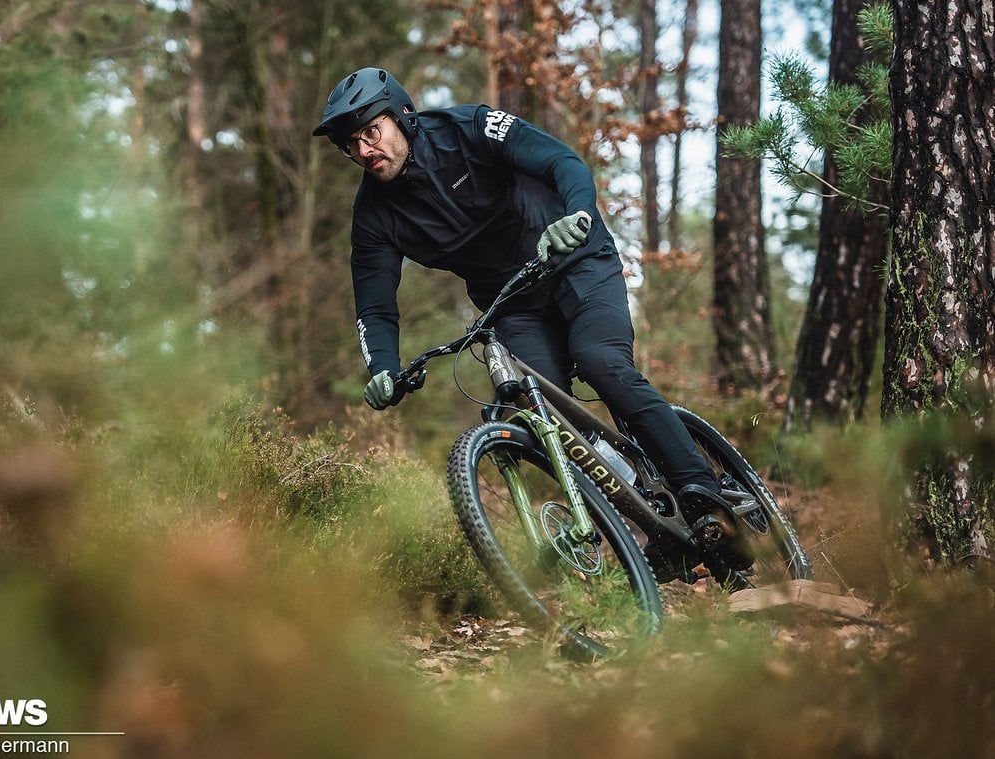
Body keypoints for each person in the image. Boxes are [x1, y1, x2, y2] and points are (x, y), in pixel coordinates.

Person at [312, 67, 751, 574]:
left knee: (600, 359)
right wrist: (382, 367)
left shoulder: (468, 128)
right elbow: (374, 304)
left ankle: (704, 487)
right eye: (351, 144)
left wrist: (578, 216)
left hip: (575, 259)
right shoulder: (373, 216)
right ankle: (652, 523)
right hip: (513, 302)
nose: (365, 150)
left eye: (372, 132)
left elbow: (562, 162)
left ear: (403, 115)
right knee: (544, 415)